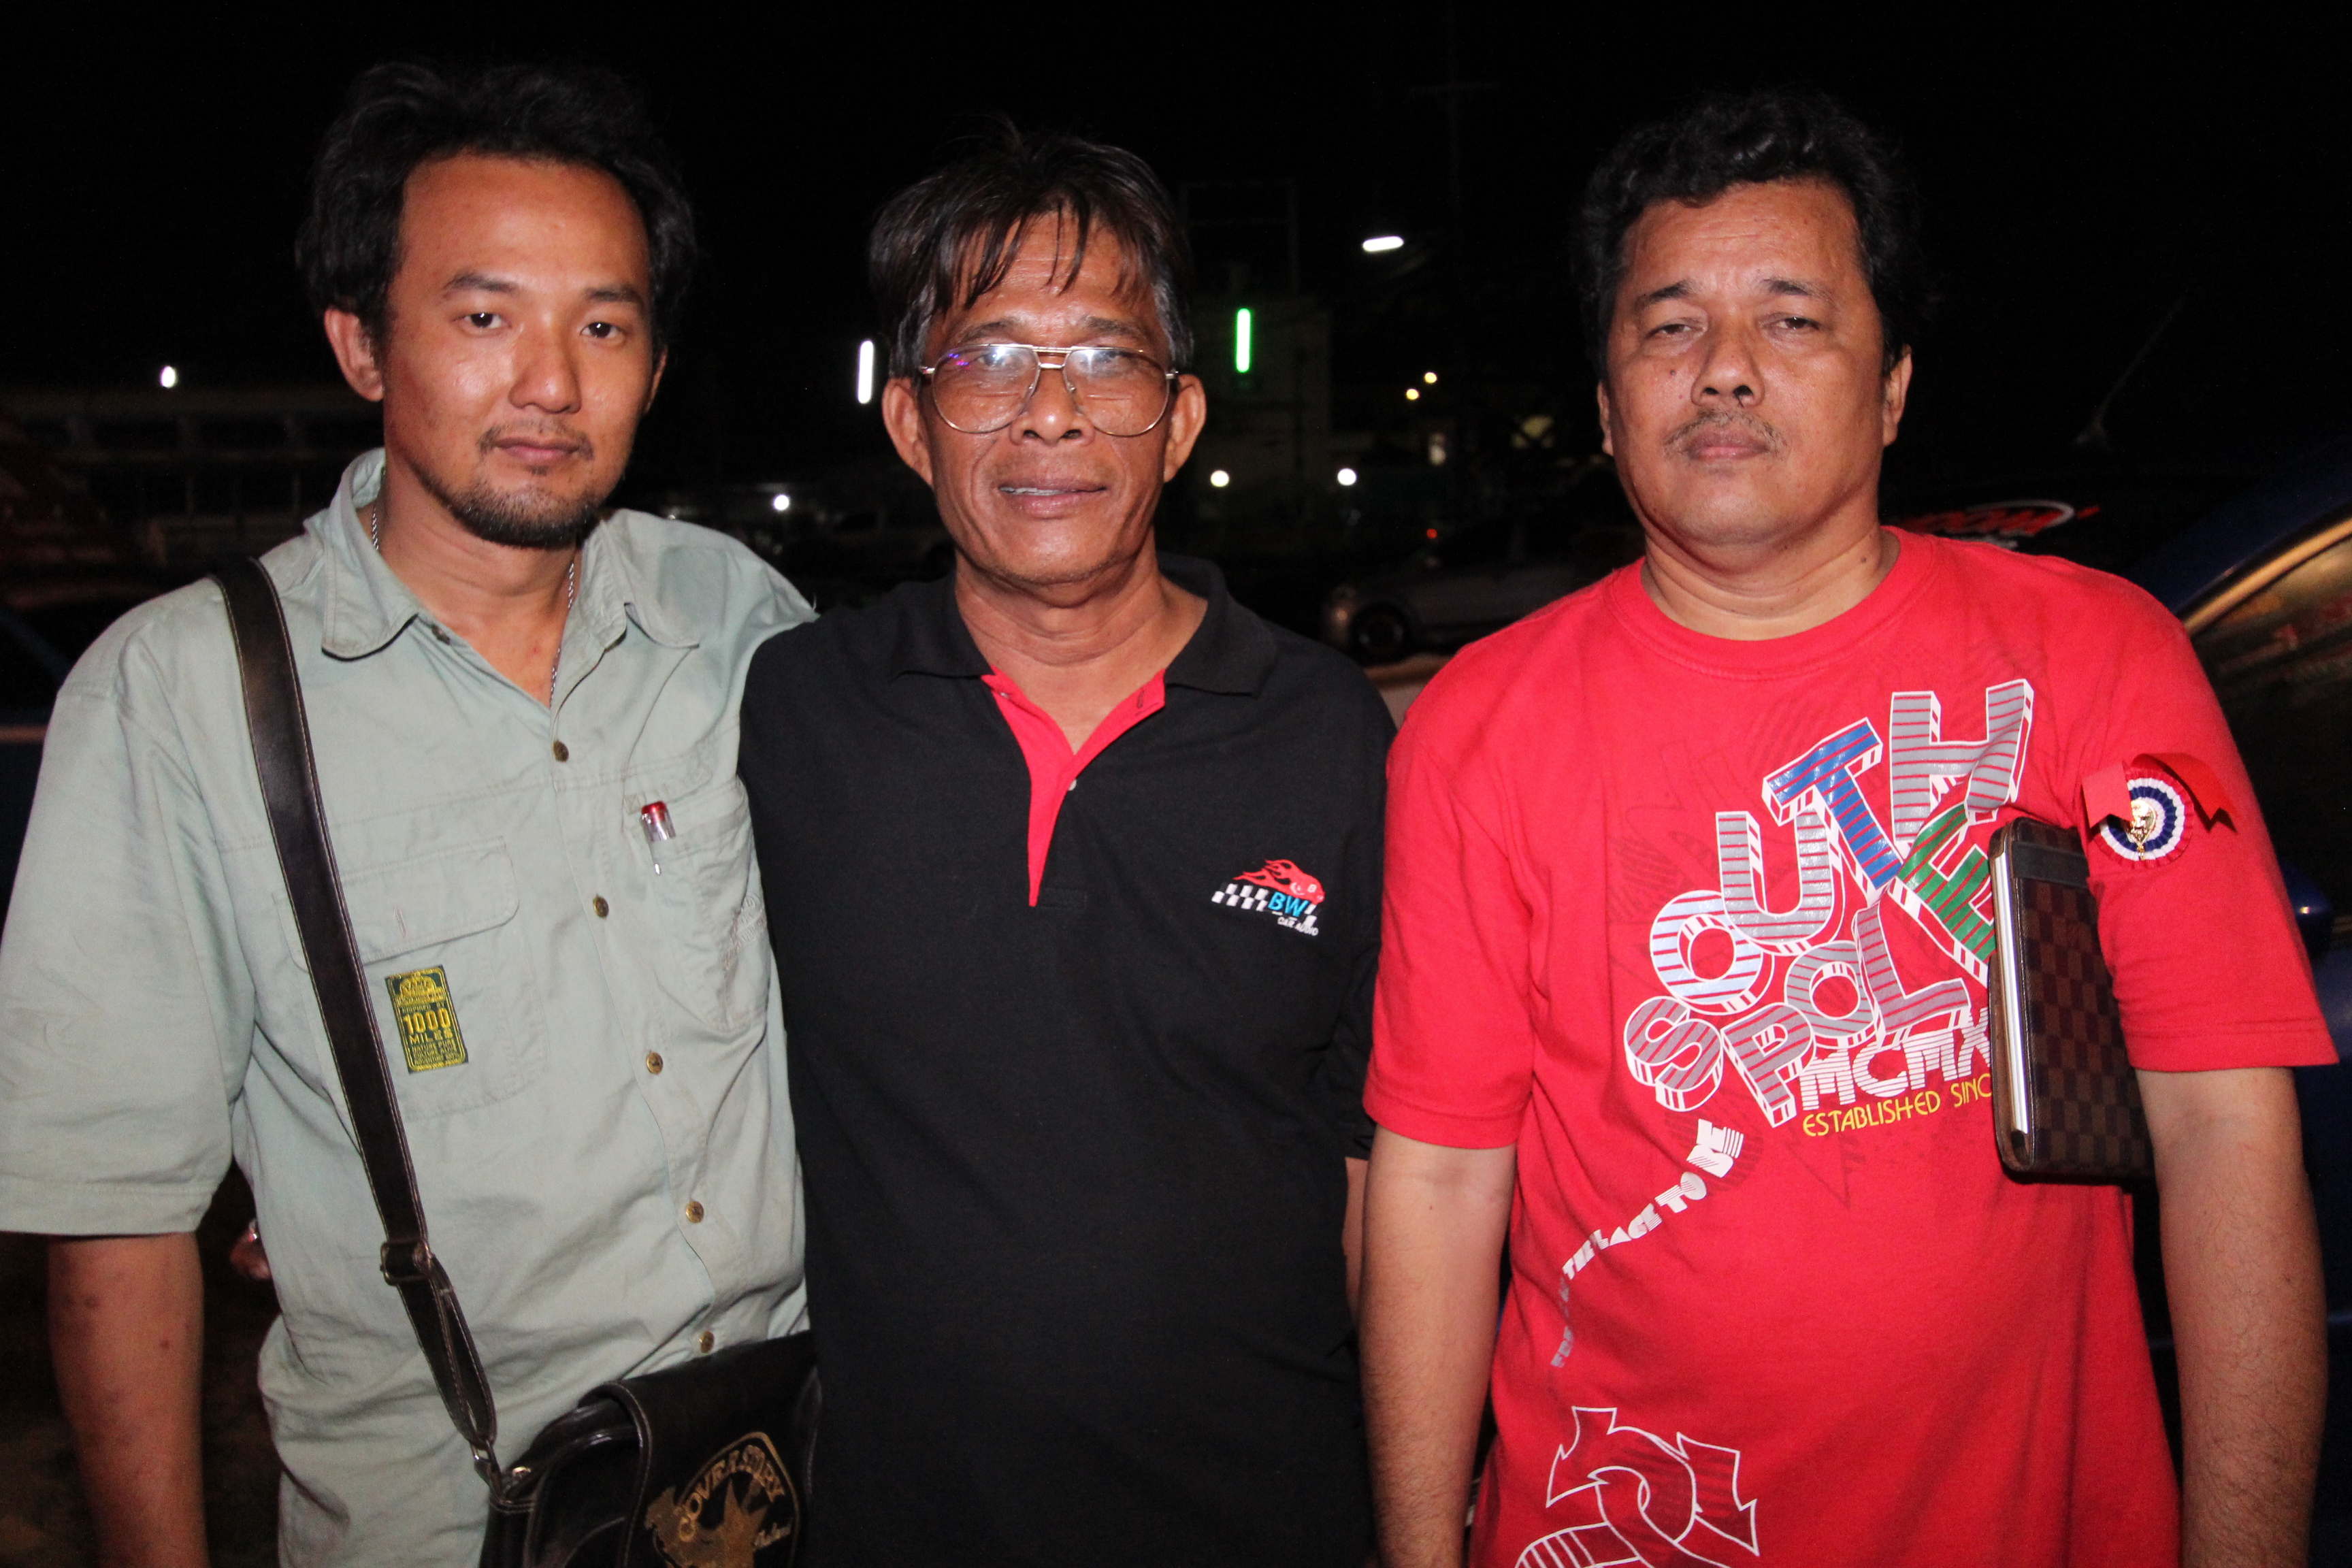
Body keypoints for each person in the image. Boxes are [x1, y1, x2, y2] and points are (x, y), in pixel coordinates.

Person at [1359, 91, 2332, 1568]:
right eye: (1669, 325)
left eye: (1793, 319)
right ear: (1607, 403)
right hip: (1624, 1527)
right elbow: (1437, 1182)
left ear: (1892, 388)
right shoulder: (1475, 728)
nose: (1724, 368)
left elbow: (2225, 1132)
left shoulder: (2092, 656)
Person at [0, 62, 810, 1567]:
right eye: (486, 318)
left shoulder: (736, 618)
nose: (553, 383)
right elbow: (114, 1220)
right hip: (449, 1518)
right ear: (361, 344)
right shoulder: (184, 696)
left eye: (606, 326)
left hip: (779, 1472)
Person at [736, 128, 1388, 1566]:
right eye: (988, 360)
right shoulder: (798, 712)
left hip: (1266, 1516)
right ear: (912, 422)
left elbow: (1374, 1180)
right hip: (899, 1527)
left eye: (1105, 359)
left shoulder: (1324, 730)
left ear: (1182, 419)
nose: (1050, 414)